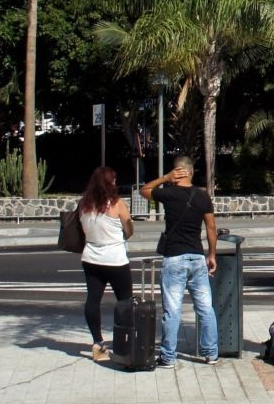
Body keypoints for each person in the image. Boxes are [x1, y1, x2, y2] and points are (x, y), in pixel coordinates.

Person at [140, 155, 218, 366]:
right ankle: (211, 353)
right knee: (205, 308)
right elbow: (211, 227)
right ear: (191, 172)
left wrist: (165, 178)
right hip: (197, 257)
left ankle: (168, 357)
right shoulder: (203, 196)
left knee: (172, 310)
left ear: (176, 172)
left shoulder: (169, 194)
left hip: (174, 257)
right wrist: (212, 255)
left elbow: (144, 190)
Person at [79, 166, 135, 362]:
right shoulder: (117, 204)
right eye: (114, 179)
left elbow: (83, 231)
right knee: (125, 301)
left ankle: (98, 343)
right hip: (115, 259)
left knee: (93, 299)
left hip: (91, 257)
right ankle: (124, 343)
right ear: (110, 182)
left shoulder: (84, 204)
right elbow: (129, 229)